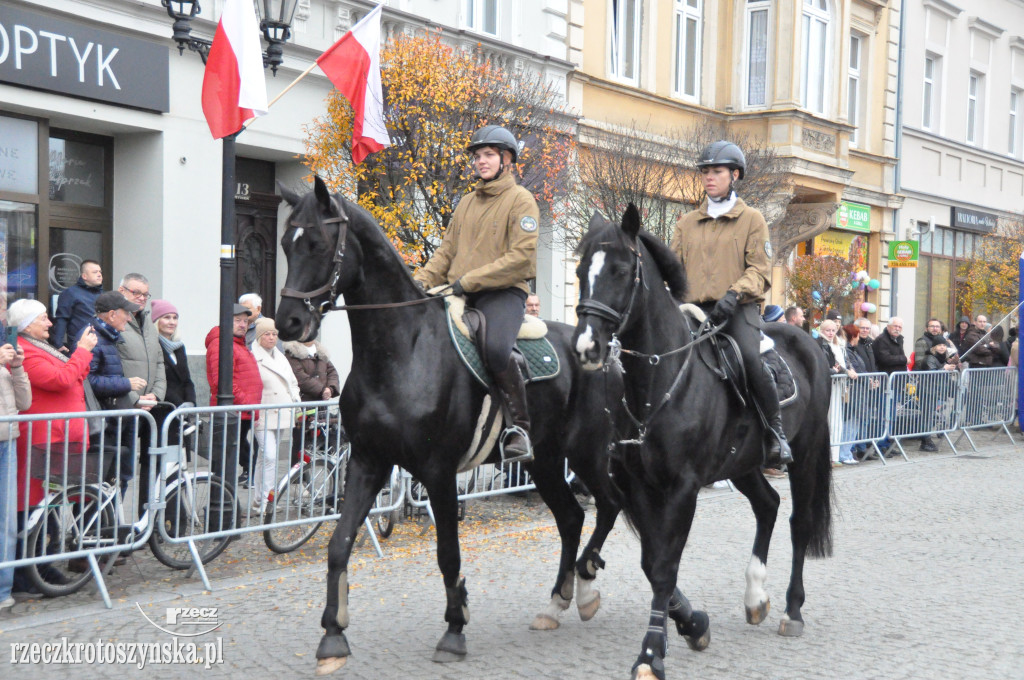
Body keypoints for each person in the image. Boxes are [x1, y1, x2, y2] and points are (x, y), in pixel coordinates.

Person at [413, 125, 539, 464]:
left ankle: (520, 428)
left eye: (488, 155)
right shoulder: (466, 203)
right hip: (461, 292)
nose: (481, 162)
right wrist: (419, 281)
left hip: (502, 294)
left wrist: (469, 280)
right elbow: (445, 253)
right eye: (477, 156)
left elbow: (521, 258)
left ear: (506, 159)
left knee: (497, 350)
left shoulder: (522, 200)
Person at [669, 140, 791, 465]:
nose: (710, 177)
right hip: (695, 309)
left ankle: (775, 433)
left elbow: (760, 271)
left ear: (734, 175)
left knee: (750, 359)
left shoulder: (752, 219)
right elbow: (674, 270)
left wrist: (734, 294)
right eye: (706, 171)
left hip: (738, 309)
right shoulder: (686, 223)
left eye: (717, 171)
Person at [9, 300, 97, 594]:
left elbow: (74, 378)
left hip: (58, 438)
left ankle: (40, 566)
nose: (50, 323)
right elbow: (60, 379)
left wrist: (77, 360)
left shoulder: (41, 348)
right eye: (44, 318)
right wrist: (81, 352)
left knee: (50, 504)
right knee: (33, 506)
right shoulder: (26, 351)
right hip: (42, 439)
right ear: (27, 324)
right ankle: (29, 571)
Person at [88, 291, 147, 493]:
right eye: (126, 313)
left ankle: (111, 524)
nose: (129, 318)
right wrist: (126, 384)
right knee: (102, 484)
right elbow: (88, 381)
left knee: (116, 479)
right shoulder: (93, 338)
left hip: (115, 421)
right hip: (104, 425)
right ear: (112, 315)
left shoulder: (108, 336)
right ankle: (101, 525)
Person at [116, 274, 165, 516]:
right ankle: (108, 529)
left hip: (148, 407)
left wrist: (156, 394)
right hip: (122, 406)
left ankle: (145, 523)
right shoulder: (114, 322)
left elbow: (159, 363)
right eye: (136, 292)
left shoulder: (148, 323)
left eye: (145, 294)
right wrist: (135, 398)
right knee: (118, 472)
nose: (141, 298)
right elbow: (113, 367)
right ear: (121, 290)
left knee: (148, 465)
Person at [205, 304, 263, 490]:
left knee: (232, 454)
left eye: (245, 321)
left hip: (241, 411)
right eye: (237, 321)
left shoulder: (238, 343)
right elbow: (223, 381)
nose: (242, 325)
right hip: (233, 411)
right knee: (224, 459)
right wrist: (247, 403)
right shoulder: (221, 343)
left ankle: (226, 499)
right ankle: (221, 503)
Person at [250, 319, 300, 511]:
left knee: (265, 457)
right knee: (270, 456)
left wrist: (295, 400)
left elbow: (292, 382)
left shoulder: (280, 356)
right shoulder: (253, 356)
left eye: (274, 334)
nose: (271, 338)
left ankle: (258, 499)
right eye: (267, 334)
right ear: (260, 336)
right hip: (263, 412)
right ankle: (266, 500)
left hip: (281, 413)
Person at [0, 329, 31, 611]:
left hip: (7, 440)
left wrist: (18, 367)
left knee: (7, 519)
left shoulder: (5, 344)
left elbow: (25, 403)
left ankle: (3, 590)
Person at [283, 336, 342, 464]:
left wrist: (330, 389)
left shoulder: (321, 352)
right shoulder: (291, 354)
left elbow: (332, 372)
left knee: (324, 438)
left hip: (321, 404)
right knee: (301, 441)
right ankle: (298, 474)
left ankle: (326, 468)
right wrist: (322, 390)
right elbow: (300, 377)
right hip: (303, 404)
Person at [911, 319, 956, 452]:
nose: (942, 347)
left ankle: (929, 437)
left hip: (935, 389)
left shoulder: (940, 357)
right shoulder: (929, 355)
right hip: (927, 389)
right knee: (926, 415)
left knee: (930, 415)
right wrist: (944, 369)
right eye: (932, 326)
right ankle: (925, 440)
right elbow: (930, 371)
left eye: (944, 345)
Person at [150, 299, 197, 412]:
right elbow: (158, 381)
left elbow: (187, 380)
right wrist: (179, 405)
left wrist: (191, 401)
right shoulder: (152, 346)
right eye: (167, 317)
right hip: (162, 408)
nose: (172, 322)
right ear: (157, 321)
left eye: (175, 318)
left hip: (182, 410)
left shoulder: (179, 347)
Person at [51, 259, 103, 354]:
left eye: (100, 272)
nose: (99, 274)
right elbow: (62, 319)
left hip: (103, 345)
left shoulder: (103, 295)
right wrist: (58, 343)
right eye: (95, 272)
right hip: (81, 346)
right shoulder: (70, 293)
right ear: (84, 276)